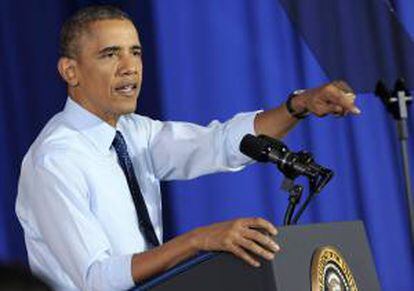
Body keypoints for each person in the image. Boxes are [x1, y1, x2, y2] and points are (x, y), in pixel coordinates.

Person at [15, 5, 360, 291]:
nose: (130, 67)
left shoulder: (135, 133)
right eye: (110, 54)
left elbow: (221, 143)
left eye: (135, 52)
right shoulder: (54, 159)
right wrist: (198, 240)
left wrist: (299, 105)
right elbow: (96, 279)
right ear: (70, 71)